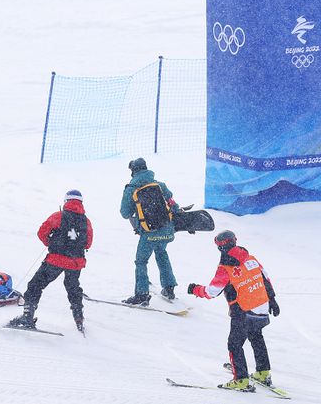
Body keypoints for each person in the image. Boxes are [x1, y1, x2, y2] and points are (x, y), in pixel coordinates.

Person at [187, 230, 280, 392]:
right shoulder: (251, 259)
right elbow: (265, 278)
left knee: (234, 344)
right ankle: (263, 373)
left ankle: (241, 380)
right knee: (256, 337)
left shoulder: (225, 267)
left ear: (220, 247)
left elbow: (212, 291)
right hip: (262, 307)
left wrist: (195, 289)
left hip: (243, 310)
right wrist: (272, 300)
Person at [9, 190, 93, 333]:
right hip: (76, 262)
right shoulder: (86, 221)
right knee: (73, 289)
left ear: (66, 201)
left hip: (56, 260)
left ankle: (27, 318)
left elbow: (41, 232)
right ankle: (79, 319)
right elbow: (88, 243)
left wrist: (52, 243)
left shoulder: (59, 216)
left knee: (35, 285)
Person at [120, 157, 180, 306]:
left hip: (149, 232)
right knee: (161, 253)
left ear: (133, 171)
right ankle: (169, 287)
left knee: (141, 261)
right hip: (166, 230)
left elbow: (125, 213)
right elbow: (173, 204)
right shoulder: (160, 185)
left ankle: (142, 294)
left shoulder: (131, 188)